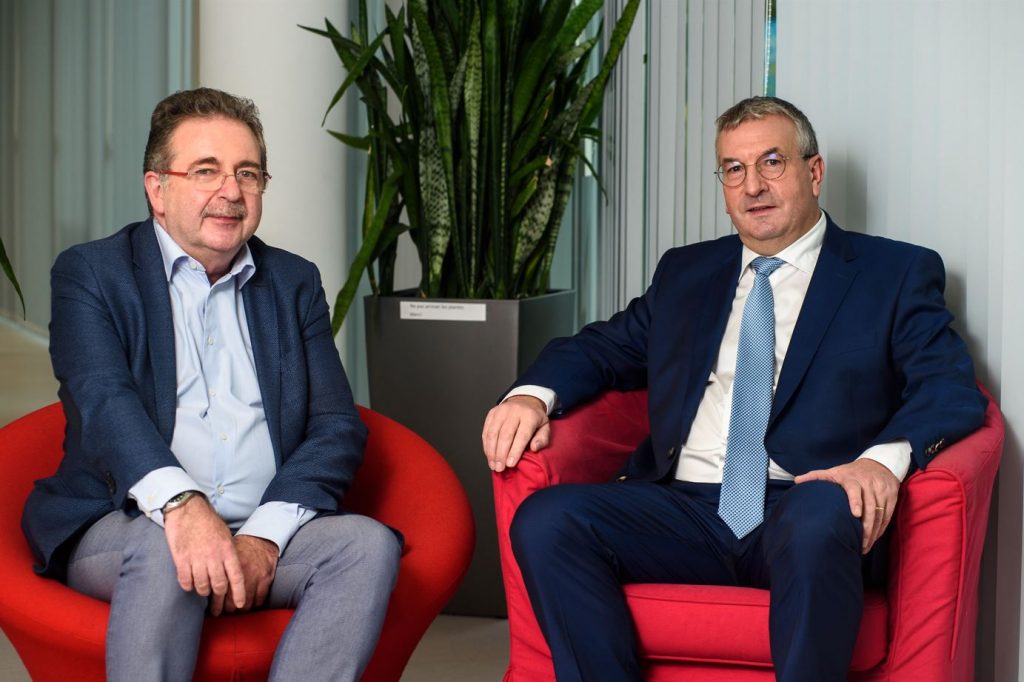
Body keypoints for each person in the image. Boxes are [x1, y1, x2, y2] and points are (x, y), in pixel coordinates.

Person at [481, 96, 987, 681]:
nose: (753, 186)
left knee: (819, 514)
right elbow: (602, 348)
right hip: (684, 508)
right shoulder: (686, 272)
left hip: (807, 504)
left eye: (771, 162)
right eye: (734, 169)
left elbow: (949, 385)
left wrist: (880, 463)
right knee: (547, 519)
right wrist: (532, 394)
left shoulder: (892, 273)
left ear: (814, 172)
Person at [21, 87, 400, 682]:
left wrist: (264, 538)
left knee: (365, 545)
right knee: (167, 547)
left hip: (261, 525)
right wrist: (184, 508)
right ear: (157, 189)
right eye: (205, 171)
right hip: (124, 522)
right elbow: (104, 403)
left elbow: (335, 426)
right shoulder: (92, 272)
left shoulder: (293, 281)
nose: (231, 191)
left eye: (247, 173)